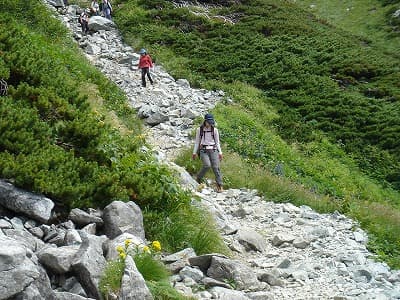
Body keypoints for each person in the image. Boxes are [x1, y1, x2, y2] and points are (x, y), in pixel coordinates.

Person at [192, 113, 224, 192]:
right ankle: (198, 178)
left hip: (213, 149)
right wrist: (194, 152)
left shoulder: (215, 130)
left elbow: (217, 142)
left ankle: (219, 185)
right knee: (207, 165)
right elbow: (197, 142)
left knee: (216, 167)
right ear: (205, 121)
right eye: (208, 122)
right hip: (203, 150)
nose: (209, 124)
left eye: (211, 122)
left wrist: (220, 152)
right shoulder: (199, 130)